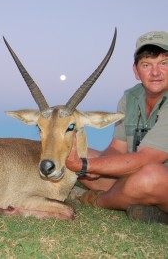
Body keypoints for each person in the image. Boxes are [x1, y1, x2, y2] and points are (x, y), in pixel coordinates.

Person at [66, 31, 168, 224]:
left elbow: (147, 160)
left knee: (149, 177)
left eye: (163, 63)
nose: (155, 72)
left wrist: (87, 166)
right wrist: (98, 166)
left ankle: (99, 200)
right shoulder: (130, 97)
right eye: (147, 64)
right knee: (73, 153)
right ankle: (150, 208)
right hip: (137, 173)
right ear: (136, 71)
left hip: (152, 176)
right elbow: (117, 148)